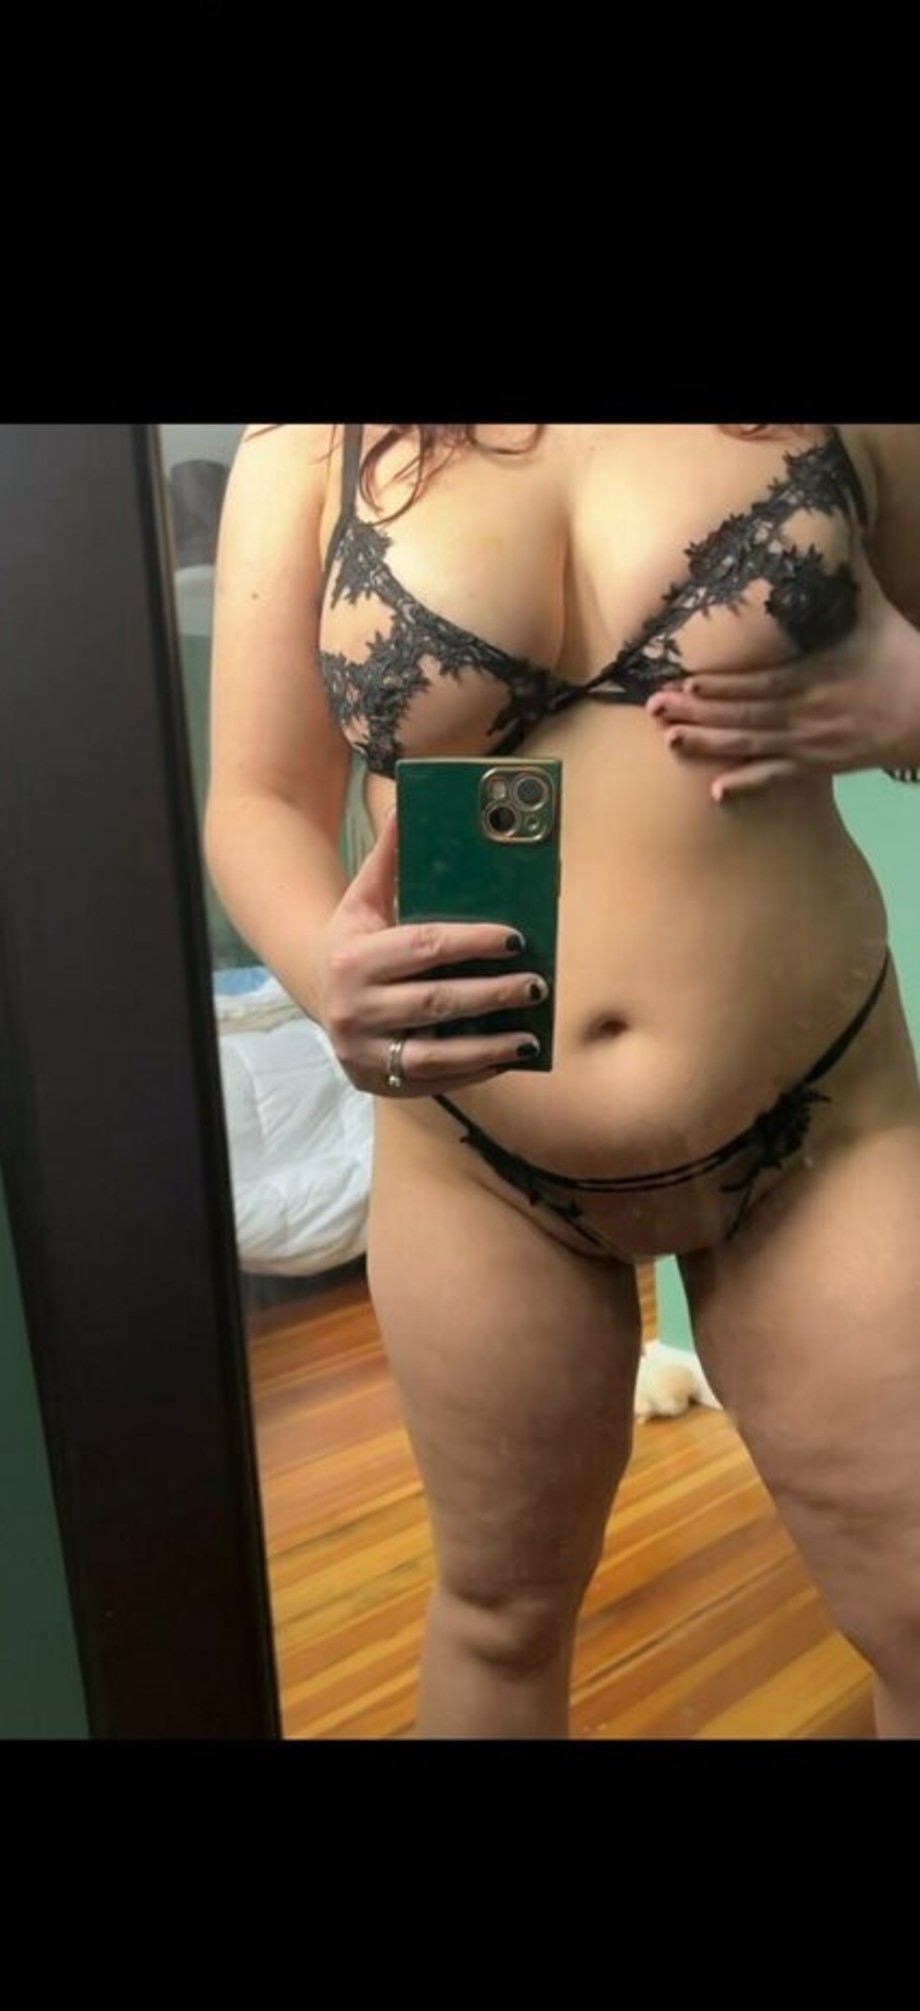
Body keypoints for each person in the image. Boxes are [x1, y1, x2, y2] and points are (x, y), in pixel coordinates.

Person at [206, 422, 920, 1741]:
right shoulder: (304, 448)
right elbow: (256, 799)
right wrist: (320, 969)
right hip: (474, 1158)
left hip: (819, 1124)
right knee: (499, 1613)